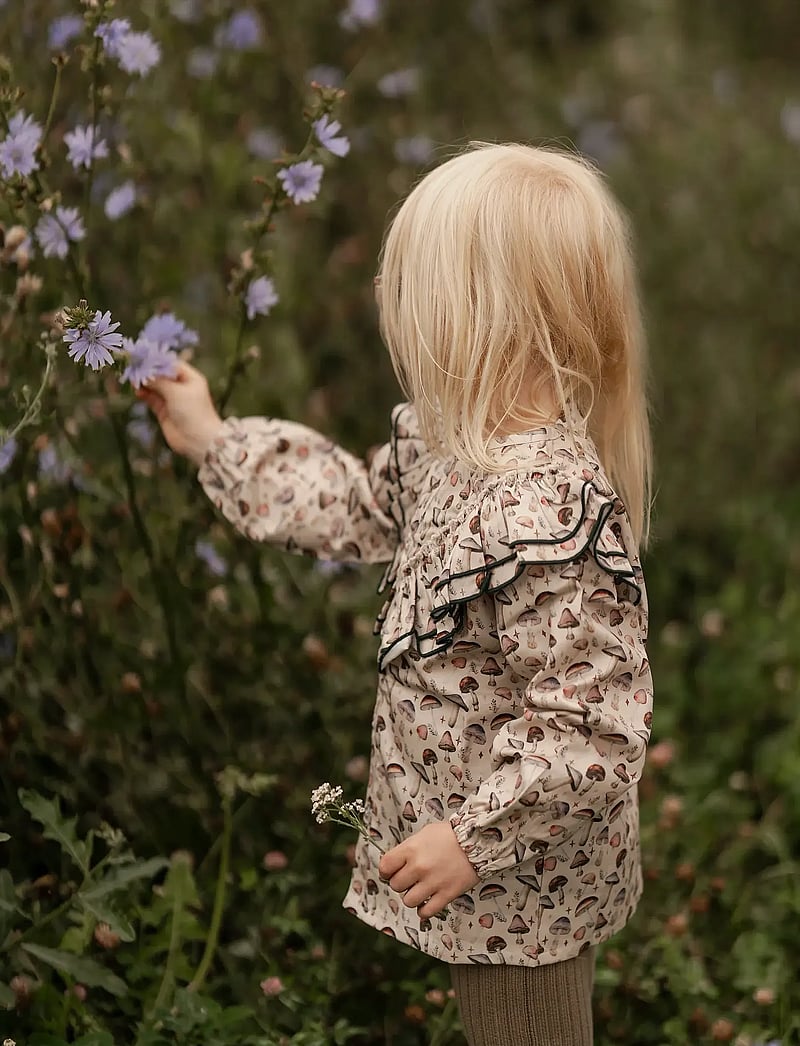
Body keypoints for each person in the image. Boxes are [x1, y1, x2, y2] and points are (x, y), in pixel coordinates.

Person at [139, 142, 653, 1046]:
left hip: (518, 888)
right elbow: (350, 500)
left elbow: (592, 724)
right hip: (486, 869)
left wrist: (473, 837)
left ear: (483, 317)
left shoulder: (544, 509)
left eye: (407, 282)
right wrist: (215, 439)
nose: (386, 299)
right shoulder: (449, 452)